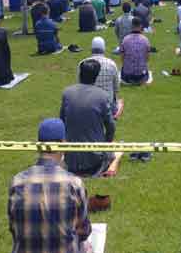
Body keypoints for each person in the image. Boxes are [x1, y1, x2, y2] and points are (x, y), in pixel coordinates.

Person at [8, 118, 92, 252]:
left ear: (39, 145)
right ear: (63, 144)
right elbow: (84, 230)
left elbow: (14, 229)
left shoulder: (17, 182)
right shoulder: (74, 184)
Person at [62, 60, 117, 175]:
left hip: (71, 159)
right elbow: (111, 126)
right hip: (94, 161)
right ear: (96, 76)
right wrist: (107, 144)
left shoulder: (67, 93)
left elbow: (61, 120)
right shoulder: (102, 96)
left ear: (80, 73)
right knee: (118, 150)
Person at [78, 37, 121, 117]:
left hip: (87, 104)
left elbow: (79, 84)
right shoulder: (111, 64)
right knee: (119, 102)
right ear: (104, 48)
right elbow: (116, 88)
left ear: (91, 49)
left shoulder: (82, 63)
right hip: (107, 104)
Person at [120, 18, 150, 84]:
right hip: (142, 76)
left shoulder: (125, 40)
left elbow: (122, 58)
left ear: (131, 26)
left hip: (127, 76)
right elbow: (147, 58)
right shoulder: (145, 40)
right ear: (141, 26)